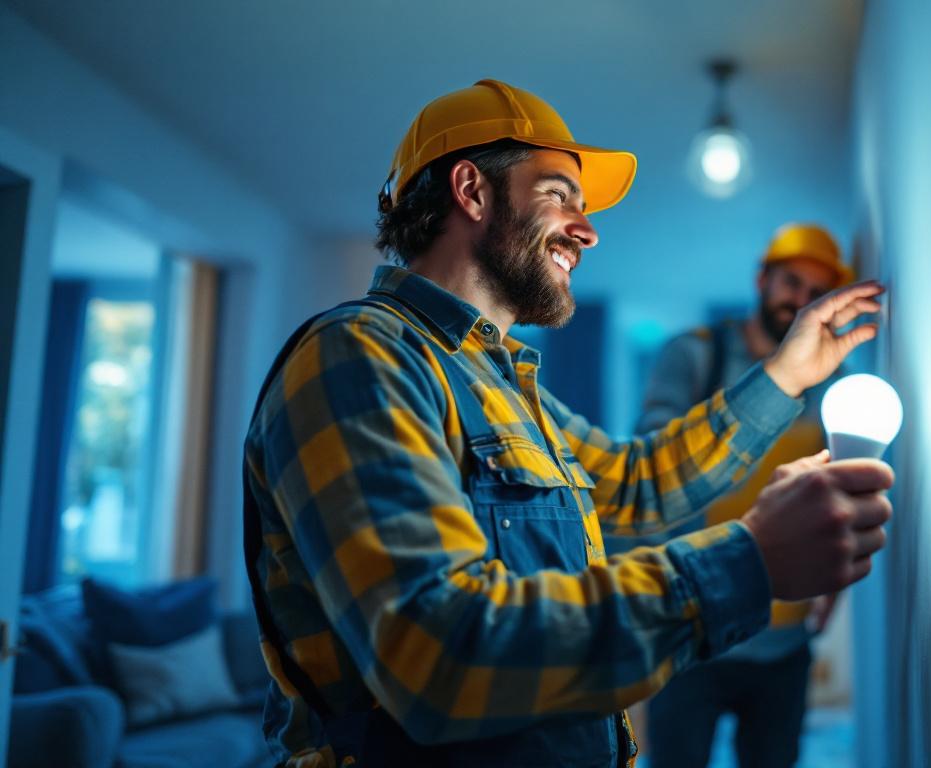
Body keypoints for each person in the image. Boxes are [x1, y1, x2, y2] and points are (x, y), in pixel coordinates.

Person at [243, 79, 890, 768]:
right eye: (559, 195)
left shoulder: (509, 390)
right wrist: (749, 561)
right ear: (472, 190)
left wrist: (787, 374)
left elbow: (638, 488)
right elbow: (438, 654)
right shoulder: (357, 358)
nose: (587, 230)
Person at [635, 223, 855, 768]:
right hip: (692, 637)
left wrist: (837, 569)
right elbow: (652, 468)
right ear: (762, 280)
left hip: (782, 642)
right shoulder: (694, 357)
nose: (800, 302)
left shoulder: (834, 382)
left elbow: (838, 486)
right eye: (790, 283)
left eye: (815, 293)